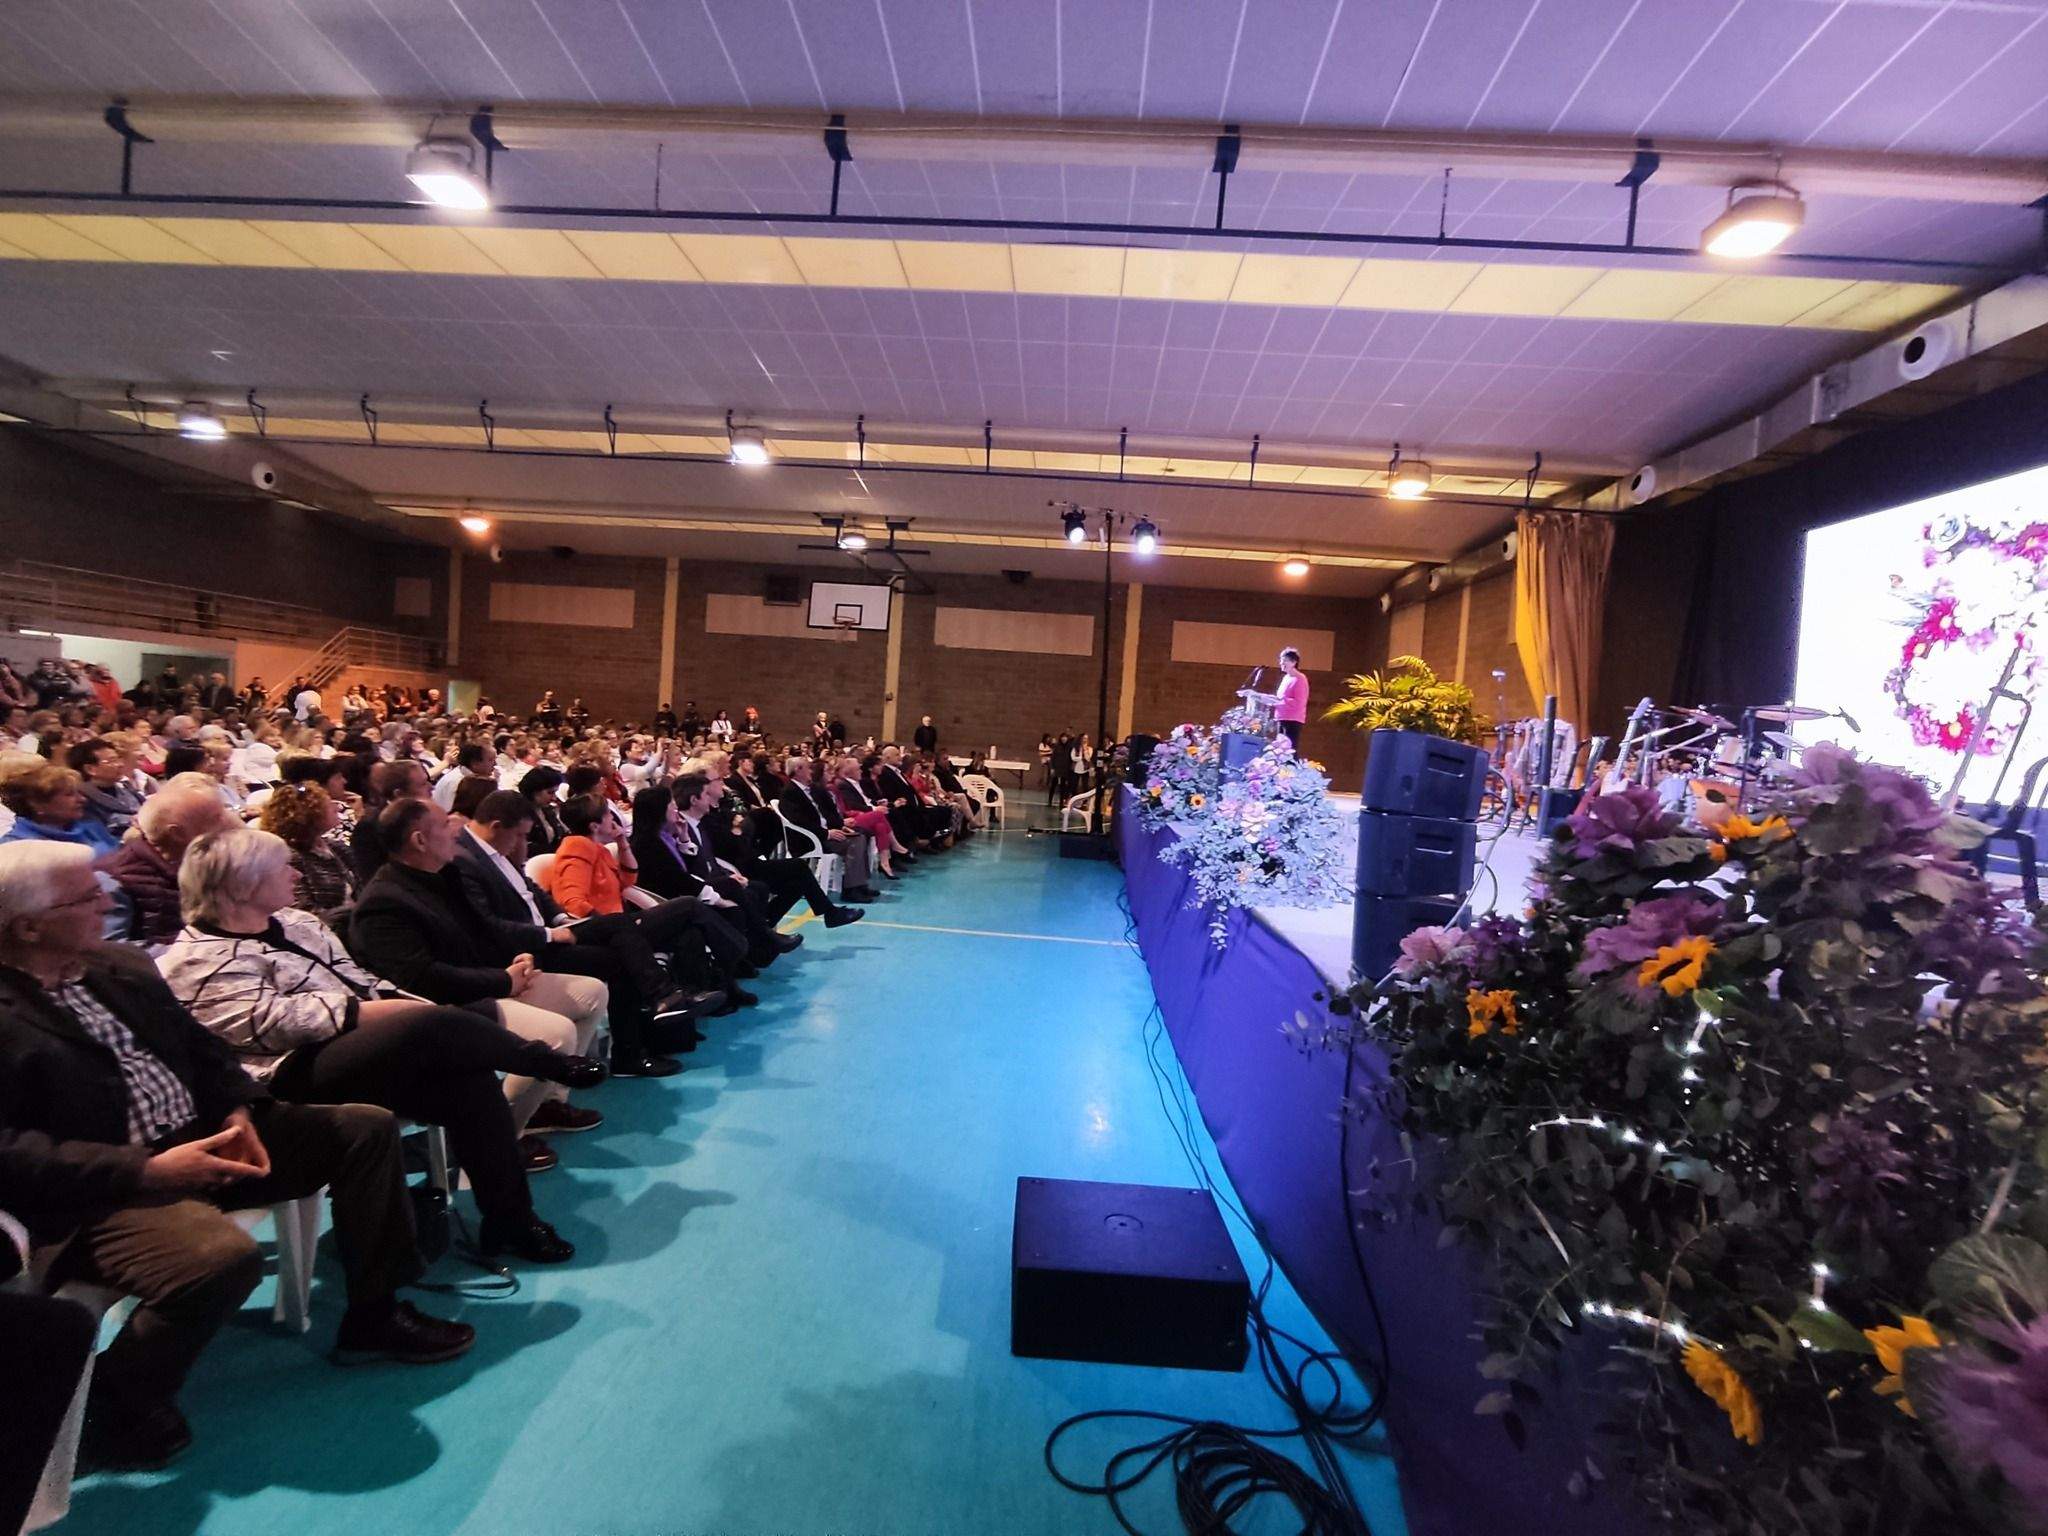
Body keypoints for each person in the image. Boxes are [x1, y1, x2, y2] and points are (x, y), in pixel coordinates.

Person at [0, 842, 473, 1471]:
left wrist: (238, 1110)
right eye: (85, 897)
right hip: (105, 1189)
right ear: (28, 927)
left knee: (363, 1128)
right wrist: (147, 1170)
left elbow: (205, 1051)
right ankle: (114, 1399)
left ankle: (375, 1314)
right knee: (218, 1260)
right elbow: (12, 1152)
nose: (106, 902)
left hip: (203, 1138)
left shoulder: (118, 966)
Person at [158, 828, 592, 1263]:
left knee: (470, 1082)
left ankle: (511, 1220)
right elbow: (270, 1025)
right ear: (243, 884)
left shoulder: (299, 923)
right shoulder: (193, 960)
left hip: (363, 1049)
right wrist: (370, 1013)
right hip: (285, 1073)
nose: (295, 874)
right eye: (281, 868)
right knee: (428, 1023)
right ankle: (542, 1060)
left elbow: (362, 981)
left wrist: (397, 1006)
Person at [348, 800, 611, 1162]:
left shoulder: (447, 875)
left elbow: (483, 932)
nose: (456, 830)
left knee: (591, 993)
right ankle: (496, 1138)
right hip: (445, 1009)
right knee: (557, 1034)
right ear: (420, 840)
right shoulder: (384, 903)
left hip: (486, 981)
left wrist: (518, 961)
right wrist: (502, 981)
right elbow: (421, 979)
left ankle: (545, 1105)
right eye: (445, 825)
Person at [455, 790, 721, 1062]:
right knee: (639, 936)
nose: (521, 843)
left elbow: (534, 892)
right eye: (520, 835)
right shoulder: (468, 860)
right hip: (528, 949)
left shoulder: (494, 852)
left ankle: (658, 1010)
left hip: (560, 928)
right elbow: (489, 924)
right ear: (497, 827)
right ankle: (653, 1016)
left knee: (633, 932)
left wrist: (561, 919)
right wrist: (551, 933)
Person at [107, 781, 237, 947]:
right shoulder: (117, 878)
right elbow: (111, 950)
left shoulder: (211, 859)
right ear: (177, 833)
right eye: (215, 819)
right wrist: (189, 950)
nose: (227, 824)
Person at [256, 780, 359, 923]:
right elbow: (303, 911)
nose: (336, 808)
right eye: (328, 806)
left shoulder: (336, 847)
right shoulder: (290, 858)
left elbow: (363, 886)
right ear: (309, 815)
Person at [778, 755, 880, 897]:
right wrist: (826, 833)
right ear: (798, 770)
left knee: (860, 835)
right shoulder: (789, 792)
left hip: (826, 831)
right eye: (808, 768)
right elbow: (799, 822)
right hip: (809, 838)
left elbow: (830, 812)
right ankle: (851, 889)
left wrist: (840, 826)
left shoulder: (814, 789)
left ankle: (859, 884)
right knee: (855, 843)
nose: (811, 771)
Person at [0, 758, 123, 859]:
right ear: (37, 803)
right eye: (69, 794)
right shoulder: (15, 847)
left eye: (79, 793)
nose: (82, 799)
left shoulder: (90, 826)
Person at [70, 737, 145, 839]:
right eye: (112, 761)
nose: (120, 764)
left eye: (118, 759)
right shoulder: (83, 800)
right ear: (90, 769)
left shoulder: (125, 787)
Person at [1274, 646, 1309, 749]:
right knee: (1280, 751)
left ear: (1294, 662)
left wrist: (1280, 700)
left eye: (1285, 660)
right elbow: (1281, 697)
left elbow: (1299, 702)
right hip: (1281, 718)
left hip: (1292, 720)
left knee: (1289, 752)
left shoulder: (1300, 678)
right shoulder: (1286, 678)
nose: (1281, 663)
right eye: (1281, 660)